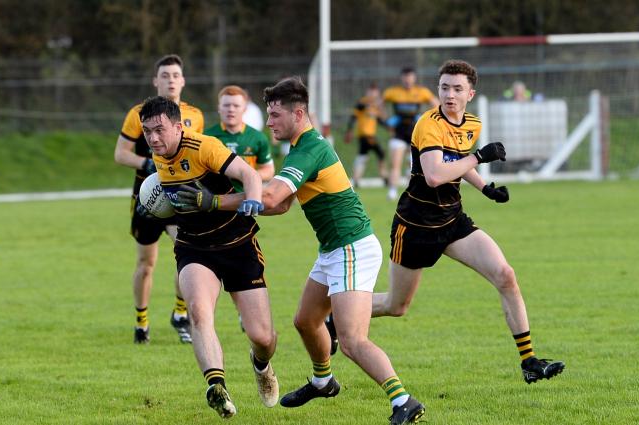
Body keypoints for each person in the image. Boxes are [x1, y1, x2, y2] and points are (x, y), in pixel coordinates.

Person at [177, 77, 426, 425]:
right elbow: (280, 207)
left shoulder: (310, 149)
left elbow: (268, 197)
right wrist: (232, 202)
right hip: (333, 249)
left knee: (352, 339)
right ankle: (323, 381)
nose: (268, 122)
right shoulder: (300, 149)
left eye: (275, 115)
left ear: (298, 113)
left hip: (351, 247)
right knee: (306, 321)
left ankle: (403, 400)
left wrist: (213, 201)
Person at [372, 59, 565, 385]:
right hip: (416, 226)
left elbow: (459, 163)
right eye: (444, 87)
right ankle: (338, 315)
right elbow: (434, 175)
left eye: (457, 89)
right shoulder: (428, 124)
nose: (449, 94)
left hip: (452, 222)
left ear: (470, 93)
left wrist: (485, 188)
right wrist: (480, 156)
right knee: (396, 305)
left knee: (505, 275)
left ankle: (529, 361)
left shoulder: (471, 124)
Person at [137, 95, 278, 418]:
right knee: (199, 314)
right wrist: (157, 210)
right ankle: (217, 386)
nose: (153, 138)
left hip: (237, 242)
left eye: (159, 130)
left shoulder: (204, 147)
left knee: (262, 336)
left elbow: (250, 175)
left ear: (177, 126)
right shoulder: (157, 154)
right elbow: (169, 192)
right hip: (194, 247)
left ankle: (262, 365)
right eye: (147, 132)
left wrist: (254, 200)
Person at [114, 54, 204, 344]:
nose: (171, 80)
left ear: (183, 80)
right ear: (155, 81)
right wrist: (147, 165)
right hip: (148, 198)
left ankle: (180, 315)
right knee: (146, 262)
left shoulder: (195, 116)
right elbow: (120, 154)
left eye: (176, 75)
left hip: (179, 197)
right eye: (165, 75)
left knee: (186, 256)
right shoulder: (137, 113)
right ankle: (141, 323)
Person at [204, 84, 275, 334]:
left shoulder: (256, 138)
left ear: (245, 109)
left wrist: (249, 176)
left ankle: (246, 310)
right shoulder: (209, 137)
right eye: (226, 105)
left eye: (236, 105)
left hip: (245, 206)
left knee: (244, 261)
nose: (231, 110)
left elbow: (269, 169)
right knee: (219, 261)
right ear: (219, 108)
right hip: (215, 208)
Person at [383, 67, 439, 201]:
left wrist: (425, 119)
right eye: (405, 77)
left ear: (414, 78)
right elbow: (379, 105)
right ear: (402, 78)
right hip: (399, 133)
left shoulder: (422, 92)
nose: (408, 80)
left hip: (415, 134)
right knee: (396, 163)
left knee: (413, 165)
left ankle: (411, 192)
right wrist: (386, 121)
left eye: (410, 77)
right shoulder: (393, 92)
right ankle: (392, 191)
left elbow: (437, 105)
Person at [344, 83, 388, 188]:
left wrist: (389, 126)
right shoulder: (363, 103)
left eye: (375, 92)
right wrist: (349, 130)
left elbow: (379, 120)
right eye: (371, 92)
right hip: (365, 135)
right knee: (380, 153)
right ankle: (384, 177)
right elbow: (354, 116)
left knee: (362, 156)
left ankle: (356, 179)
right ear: (368, 92)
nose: (373, 94)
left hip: (369, 135)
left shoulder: (375, 106)